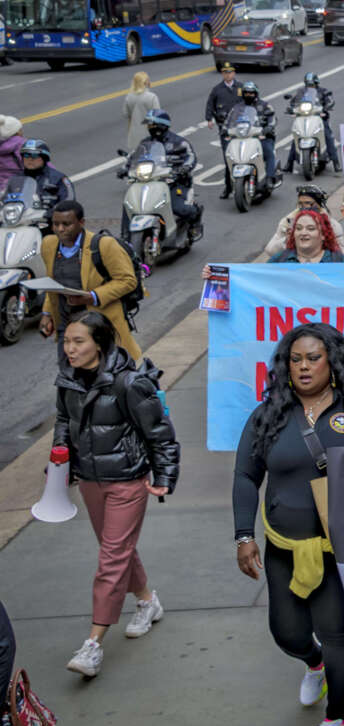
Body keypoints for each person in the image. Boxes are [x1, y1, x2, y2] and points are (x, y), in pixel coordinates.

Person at [233, 322, 344, 726]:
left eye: (313, 358)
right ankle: (312, 663)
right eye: (295, 360)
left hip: (342, 551)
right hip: (284, 547)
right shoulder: (266, 416)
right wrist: (244, 534)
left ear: (333, 363)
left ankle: (336, 721)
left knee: (338, 633)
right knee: (288, 633)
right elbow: (245, 476)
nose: (303, 367)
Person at [57, 311, 179, 679]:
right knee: (118, 549)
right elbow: (64, 421)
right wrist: (60, 461)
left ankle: (93, 644)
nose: (70, 349)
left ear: (100, 342)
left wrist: (165, 477)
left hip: (127, 480)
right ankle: (146, 601)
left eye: (78, 342)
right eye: (67, 342)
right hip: (90, 479)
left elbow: (161, 432)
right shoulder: (67, 379)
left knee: (111, 557)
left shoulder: (130, 383)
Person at [38, 201, 141, 361]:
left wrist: (93, 296)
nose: (60, 229)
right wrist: (47, 313)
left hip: (99, 327)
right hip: (68, 328)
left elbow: (127, 280)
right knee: (69, 379)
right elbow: (52, 283)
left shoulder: (104, 245)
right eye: (56, 224)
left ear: (81, 223)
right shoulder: (49, 245)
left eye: (66, 224)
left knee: (105, 378)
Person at [120, 110, 203, 241]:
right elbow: (133, 157)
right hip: (150, 182)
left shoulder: (179, 142)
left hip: (175, 183)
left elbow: (191, 158)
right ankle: (125, 237)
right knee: (130, 204)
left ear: (161, 126)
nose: (149, 128)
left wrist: (182, 170)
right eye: (148, 125)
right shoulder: (145, 143)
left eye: (152, 125)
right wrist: (124, 169)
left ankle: (195, 222)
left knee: (181, 209)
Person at [283, 72, 341, 175]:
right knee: (296, 135)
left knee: (328, 136)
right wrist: (291, 108)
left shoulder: (323, 91)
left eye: (312, 84)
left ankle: (336, 162)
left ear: (317, 83)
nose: (310, 85)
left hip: (319, 117)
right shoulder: (300, 91)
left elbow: (330, 101)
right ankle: (289, 163)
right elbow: (293, 102)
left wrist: (326, 108)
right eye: (308, 84)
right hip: (304, 116)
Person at [266, 185, 344, 257]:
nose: (304, 207)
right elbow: (270, 250)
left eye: (308, 203)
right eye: (300, 203)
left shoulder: (332, 225)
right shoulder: (287, 222)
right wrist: (286, 240)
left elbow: (341, 256)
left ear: (319, 204)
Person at [225, 81, 279, 188]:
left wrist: (269, 127)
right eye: (246, 93)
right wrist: (224, 129)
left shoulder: (264, 105)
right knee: (231, 156)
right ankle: (228, 186)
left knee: (268, 153)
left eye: (251, 93)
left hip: (262, 137)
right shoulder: (237, 107)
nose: (248, 95)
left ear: (256, 93)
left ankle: (269, 178)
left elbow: (273, 118)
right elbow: (228, 120)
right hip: (242, 137)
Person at [205, 63, 244, 198]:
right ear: (222, 74)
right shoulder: (217, 90)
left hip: (240, 127)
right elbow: (210, 104)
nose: (228, 75)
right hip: (225, 128)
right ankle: (228, 187)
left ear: (234, 73)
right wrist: (209, 119)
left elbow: (249, 102)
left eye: (230, 72)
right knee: (229, 157)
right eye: (225, 72)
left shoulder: (240, 87)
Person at [20, 139, 74, 229]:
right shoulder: (16, 178)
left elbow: (69, 200)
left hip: (50, 224)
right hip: (21, 222)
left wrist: (50, 213)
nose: (29, 159)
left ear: (44, 158)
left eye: (34, 155)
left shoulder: (59, 178)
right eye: (26, 155)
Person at [267, 210, 344, 263]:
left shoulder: (338, 261)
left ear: (323, 235)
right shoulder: (279, 260)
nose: (303, 233)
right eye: (298, 228)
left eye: (311, 229)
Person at [123, 71, 160, 154]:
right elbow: (157, 115)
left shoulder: (129, 97)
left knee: (137, 157)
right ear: (145, 82)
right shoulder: (152, 97)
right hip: (149, 134)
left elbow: (126, 114)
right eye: (148, 79)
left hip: (134, 134)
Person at [0, 116, 25, 189]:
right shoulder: (20, 144)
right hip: (20, 187)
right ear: (17, 132)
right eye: (20, 129)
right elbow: (38, 164)